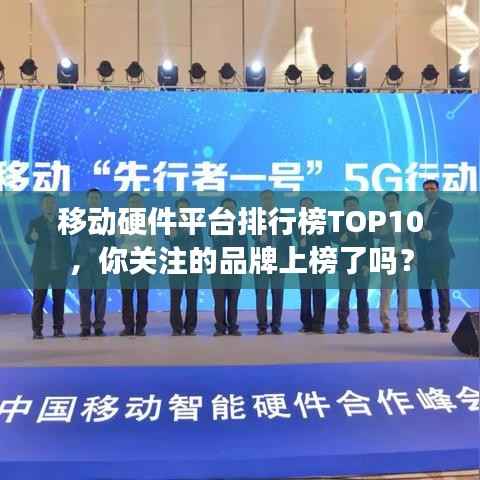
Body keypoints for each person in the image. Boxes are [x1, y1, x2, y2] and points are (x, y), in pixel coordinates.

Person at [25, 193, 72, 339]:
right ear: (42, 206)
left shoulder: (62, 222)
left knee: (59, 300)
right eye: (46, 203)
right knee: (39, 301)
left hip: (59, 269)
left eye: (52, 203)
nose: (49, 205)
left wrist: (69, 264)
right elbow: (28, 239)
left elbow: (67, 245)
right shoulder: (35, 222)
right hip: (41, 269)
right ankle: (37, 330)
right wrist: (32, 237)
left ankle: (58, 329)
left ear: (55, 205)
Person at [414, 179, 454, 333]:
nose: (429, 191)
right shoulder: (419, 208)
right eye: (426, 189)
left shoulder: (446, 206)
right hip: (423, 255)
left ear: (438, 189)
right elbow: (416, 231)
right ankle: (428, 322)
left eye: (432, 188)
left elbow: (443, 226)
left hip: (440, 254)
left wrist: (429, 234)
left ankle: (444, 322)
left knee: (442, 289)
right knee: (424, 289)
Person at [74, 188, 115, 337]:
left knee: (101, 295)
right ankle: (85, 326)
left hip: (101, 262)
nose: (94, 200)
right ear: (87, 200)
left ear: (100, 200)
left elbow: (111, 241)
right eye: (91, 198)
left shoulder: (107, 219)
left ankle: (99, 326)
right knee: (84, 295)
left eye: (96, 198)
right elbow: (75, 236)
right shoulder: (79, 218)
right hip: (83, 262)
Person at [331, 195, 375, 334]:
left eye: (354, 205)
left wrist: (368, 264)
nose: (352, 207)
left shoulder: (366, 222)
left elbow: (371, 245)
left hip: (362, 265)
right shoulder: (339, 221)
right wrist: (340, 238)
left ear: (358, 206)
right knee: (344, 296)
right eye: (349, 205)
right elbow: (333, 237)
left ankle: (364, 325)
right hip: (345, 264)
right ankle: (342, 324)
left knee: (362, 296)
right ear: (345, 208)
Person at [252, 190, 291, 335]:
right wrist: (260, 235)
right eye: (264, 199)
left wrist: (288, 260)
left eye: (269, 198)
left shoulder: (283, 217)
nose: (267, 201)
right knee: (261, 294)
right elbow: (254, 234)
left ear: (274, 200)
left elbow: (287, 240)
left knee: (277, 293)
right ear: (261, 201)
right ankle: (262, 325)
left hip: (279, 260)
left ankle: (276, 325)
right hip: (261, 260)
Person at [375, 192, 414, 334]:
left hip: (403, 258)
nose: (390, 203)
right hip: (387, 257)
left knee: (403, 291)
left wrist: (412, 256)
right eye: (388, 201)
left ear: (398, 202)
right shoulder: (379, 218)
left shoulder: (406, 219)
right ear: (384, 203)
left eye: (393, 201)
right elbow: (375, 234)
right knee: (386, 291)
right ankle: (385, 322)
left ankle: (403, 322)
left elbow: (410, 239)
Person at [117, 193, 154, 336]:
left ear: (142, 204)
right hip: (126, 258)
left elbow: (151, 243)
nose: (135, 205)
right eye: (132, 202)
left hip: (142, 258)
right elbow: (117, 240)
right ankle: (128, 326)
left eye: (137, 202)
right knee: (127, 294)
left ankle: (140, 326)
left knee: (142, 295)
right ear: (128, 205)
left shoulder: (148, 221)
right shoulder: (122, 220)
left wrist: (151, 262)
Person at [166, 197, 204, 336]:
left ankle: (190, 327)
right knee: (176, 295)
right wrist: (176, 235)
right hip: (176, 261)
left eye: (186, 207)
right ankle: (176, 327)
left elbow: (201, 244)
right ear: (177, 209)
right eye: (181, 207)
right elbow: (169, 238)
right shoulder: (171, 223)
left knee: (192, 295)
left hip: (193, 262)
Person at [210, 198, 247, 336]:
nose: (229, 210)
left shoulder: (240, 226)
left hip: (235, 267)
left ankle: (233, 327)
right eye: (226, 208)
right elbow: (215, 238)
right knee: (219, 300)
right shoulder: (215, 224)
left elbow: (244, 246)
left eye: (231, 208)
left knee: (233, 299)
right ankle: (220, 327)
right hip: (219, 268)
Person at [293, 197, 330, 334]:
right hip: (304, 262)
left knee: (319, 293)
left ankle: (318, 324)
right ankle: (306, 324)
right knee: (305, 294)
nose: (307, 208)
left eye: (309, 205)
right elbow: (300, 238)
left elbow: (326, 242)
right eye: (304, 206)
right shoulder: (297, 223)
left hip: (320, 262)